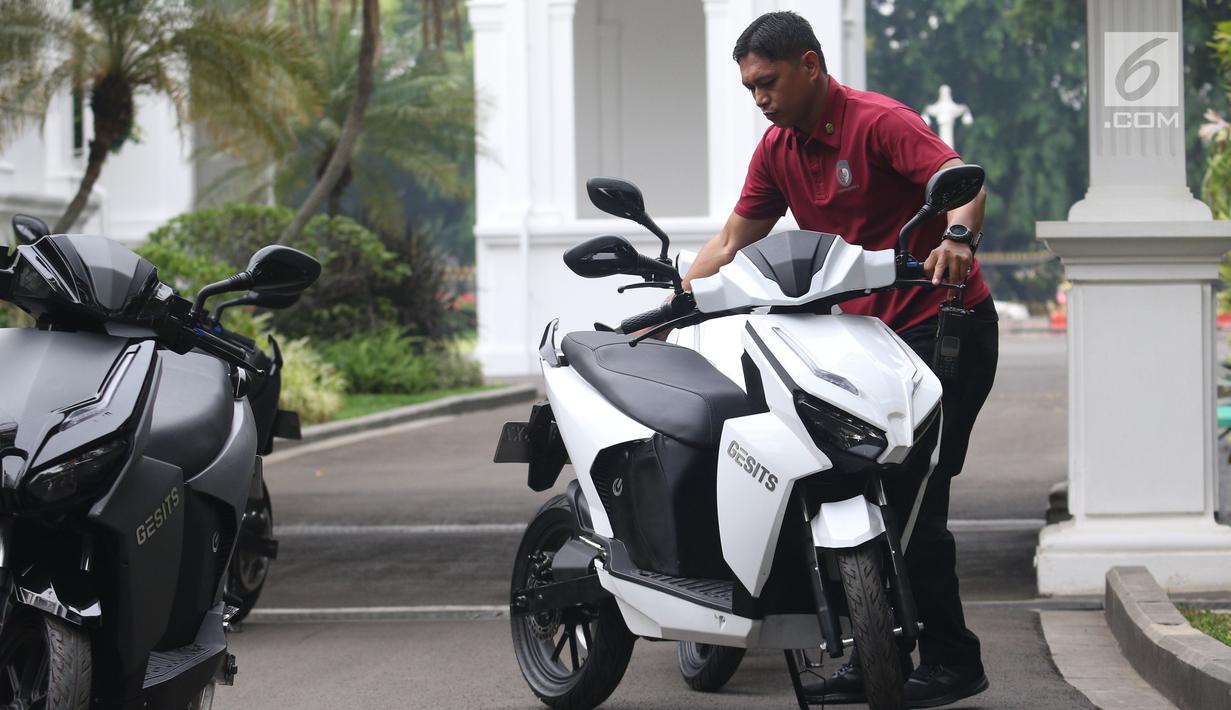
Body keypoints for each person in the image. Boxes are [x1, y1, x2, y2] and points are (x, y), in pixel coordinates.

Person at [679, 11, 998, 708]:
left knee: (911, 495)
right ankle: (878, 654)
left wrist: (956, 239)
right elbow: (732, 240)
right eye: (749, 88)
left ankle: (952, 659)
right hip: (863, 344)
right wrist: (676, 301)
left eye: (768, 82)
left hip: (944, 329)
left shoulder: (877, 122)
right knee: (843, 486)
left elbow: (962, 183)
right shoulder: (777, 149)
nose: (760, 98)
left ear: (810, 65)